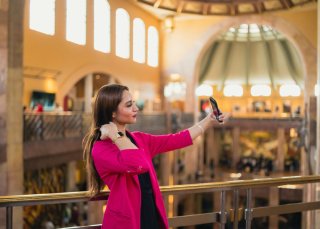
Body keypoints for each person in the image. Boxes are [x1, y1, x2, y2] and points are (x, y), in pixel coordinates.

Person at [83, 84, 227, 229]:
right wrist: (115, 135)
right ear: (112, 113)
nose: (136, 108)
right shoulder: (101, 149)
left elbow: (178, 139)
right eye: (128, 105)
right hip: (127, 222)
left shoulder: (140, 139)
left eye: (133, 103)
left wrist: (209, 120)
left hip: (150, 216)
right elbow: (138, 163)